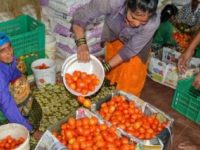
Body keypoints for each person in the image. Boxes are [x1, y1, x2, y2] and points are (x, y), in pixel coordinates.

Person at [72, 0, 160, 96]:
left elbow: (130, 50)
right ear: (127, 6)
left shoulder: (153, 22)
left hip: (137, 48)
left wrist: (104, 67)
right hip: (115, 35)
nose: (137, 24)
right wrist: (82, 45)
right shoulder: (112, 2)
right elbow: (80, 16)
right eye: (134, 17)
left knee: (129, 83)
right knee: (111, 78)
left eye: (143, 22)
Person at [0, 32, 42, 139]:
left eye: (9, 47)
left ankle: (19, 118)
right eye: (2, 50)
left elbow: (15, 75)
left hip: (5, 92)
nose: (9, 52)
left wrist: (21, 72)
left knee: (35, 113)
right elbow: (7, 104)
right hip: (3, 100)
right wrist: (31, 130)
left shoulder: (10, 59)